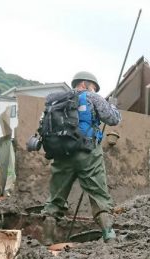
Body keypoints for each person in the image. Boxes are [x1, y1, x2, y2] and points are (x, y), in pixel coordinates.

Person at [41, 71, 121, 243]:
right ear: (84, 84)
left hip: (61, 154)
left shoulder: (56, 101)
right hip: (87, 153)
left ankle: (47, 240)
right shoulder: (92, 97)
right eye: (93, 87)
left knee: (55, 197)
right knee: (99, 194)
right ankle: (110, 237)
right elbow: (112, 119)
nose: (94, 90)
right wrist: (113, 105)